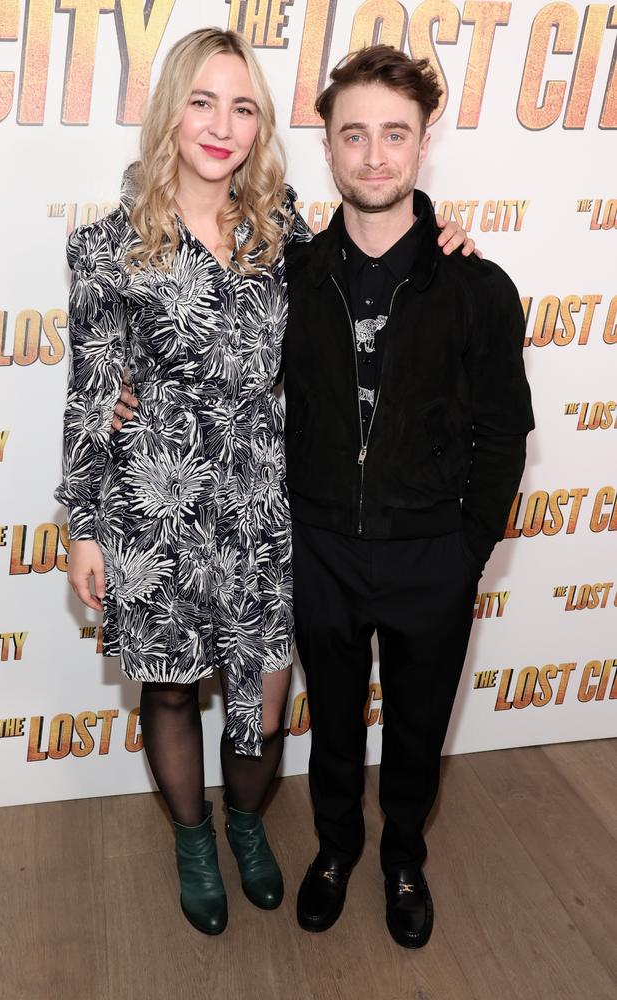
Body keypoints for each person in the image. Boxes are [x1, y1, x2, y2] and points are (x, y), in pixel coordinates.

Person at [60, 30, 472, 936]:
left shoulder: (279, 225)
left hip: (260, 502)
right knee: (169, 690)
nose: (222, 125)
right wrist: (84, 525)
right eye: (203, 102)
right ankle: (196, 837)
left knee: (263, 710)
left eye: (243, 107)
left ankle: (249, 820)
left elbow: (374, 260)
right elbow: (90, 392)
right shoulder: (104, 247)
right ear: (171, 108)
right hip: (152, 503)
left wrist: (445, 236)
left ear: (261, 126)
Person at [283, 47, 535, 948]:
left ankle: (401, 856)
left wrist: (465, 551)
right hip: (321, 550)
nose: (376, 154)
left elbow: (503, 436)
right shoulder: (292, 281)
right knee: (335, 723)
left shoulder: (478, 287)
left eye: (396, 133)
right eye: (355, 134)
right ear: (329, 147)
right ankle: (335, 848)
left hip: (432, 553)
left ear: (423, 145)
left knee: (419, 728)